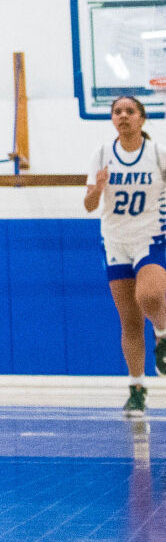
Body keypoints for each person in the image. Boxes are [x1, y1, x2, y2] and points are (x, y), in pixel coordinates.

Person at [82, 95, 166, 414]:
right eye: (117, 112)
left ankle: (162, 334)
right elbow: (89, 206)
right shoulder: (102, 154)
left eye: (130, 111)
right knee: (129, 321)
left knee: (151, 295)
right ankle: (137, 388)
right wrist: (97, 189)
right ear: (112, 119)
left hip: (151, 237)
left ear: (142, 119)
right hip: (115, 241)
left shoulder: (158, 154)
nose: (123, 116)